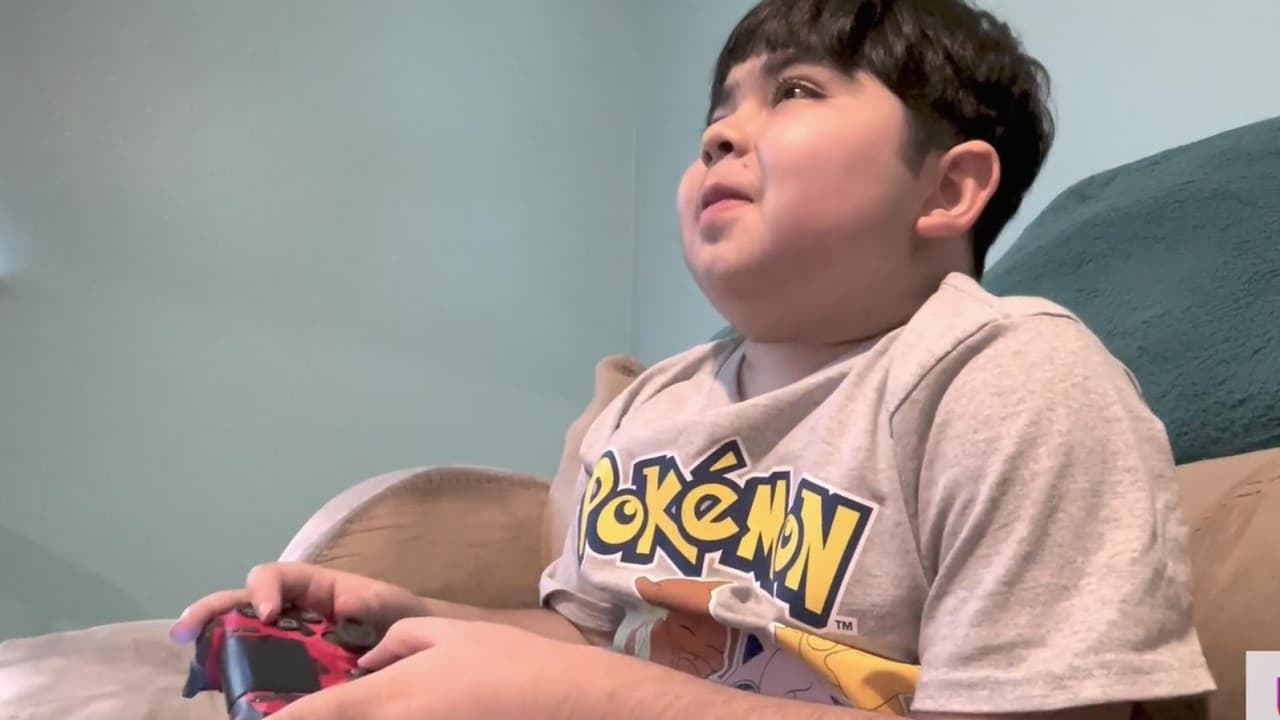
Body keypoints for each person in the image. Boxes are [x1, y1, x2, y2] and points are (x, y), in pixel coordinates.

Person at [170, 1, 1217, 717]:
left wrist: (585, 701)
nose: (720, 137)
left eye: (794, 92)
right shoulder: (650, 409)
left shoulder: (1005, 380)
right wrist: (411, 618)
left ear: (947, 190)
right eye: (716, 114)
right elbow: (588, 639)